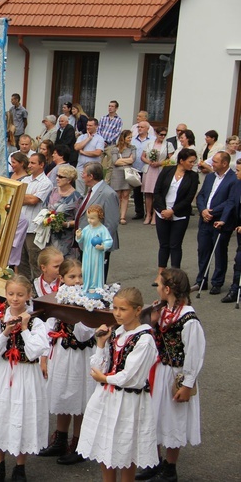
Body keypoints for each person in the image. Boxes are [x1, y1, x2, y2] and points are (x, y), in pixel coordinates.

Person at [77, 287, 159, 482]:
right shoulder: (116, 333)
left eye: (123, 309)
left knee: (125, 448)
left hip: (129, 400)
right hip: (108, 397)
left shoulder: (145, 339)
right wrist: (101, 344)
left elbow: (132, 376)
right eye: (115, 308)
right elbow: (100, 365)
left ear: (138, 310)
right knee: (106, 443)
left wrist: (105, 379)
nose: (117, 313)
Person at [136, 268, 205, 482]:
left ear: (167, 289)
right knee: (154, 416)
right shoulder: (163, 310)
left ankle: (170, 468)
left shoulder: (189, 319)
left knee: (174, 419)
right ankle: (153, 461)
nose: (156, 288)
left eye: (157, 285)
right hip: (159, 371)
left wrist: (187, 384)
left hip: (176, 375)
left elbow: (194, 353)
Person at [0, 276, 49, 482]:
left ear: (28, 295)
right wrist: (5, 331)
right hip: (4, 371)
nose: (15, 298)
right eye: (11, 294)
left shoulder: (37, 322)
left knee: (23, 414)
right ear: (6, 294)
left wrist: (24, 329)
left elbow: (34, 352)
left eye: (20, 294)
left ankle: (20, 467)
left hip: (26, 373)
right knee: (1, 413)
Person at [38, 259, 96, 465]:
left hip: (81, 354)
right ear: (62, 279)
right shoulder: (58, 296)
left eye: (80, 276)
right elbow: (48, 325)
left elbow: (84, 333)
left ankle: (78, 443)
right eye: (72, 277)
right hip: (61, 352)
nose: (77, 281)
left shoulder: (88, 299)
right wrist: (43, 356)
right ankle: (60, 438)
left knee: (80, 396)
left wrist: (76, 311)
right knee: (62, 393)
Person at [152, 149, 200, 284]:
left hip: (179, 215)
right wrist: (163, 210)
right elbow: (157, 191)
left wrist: (172, 211)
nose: (192, 164)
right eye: (190, 162)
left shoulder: (193, 177)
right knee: (164, 244)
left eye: (194, 162)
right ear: (181, 161)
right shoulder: (167, 171)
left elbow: (189, 198)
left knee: (175, 245)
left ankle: (175, 275)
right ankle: (160, 274)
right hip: (162, 213)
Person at [193, 151, 234, 294]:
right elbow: (202, 195)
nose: (212, 164)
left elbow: (230, 201)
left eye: (215, 162)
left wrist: (213, 212)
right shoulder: (210, 177)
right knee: (203, 250)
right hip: (205, 220)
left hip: (220, 221)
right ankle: (202, 280)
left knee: (219, 252)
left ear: (224, 163)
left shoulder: (233, 179)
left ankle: (217, 281)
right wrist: (203, 210)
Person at [75, 163, 120, 281]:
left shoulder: (108, 193)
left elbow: (112, 223)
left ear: (91, 176)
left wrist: (100, 244)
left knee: (96, 278)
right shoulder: (91, 191)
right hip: (86, 243)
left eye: (83, 173)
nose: (82, 176)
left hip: (97, 245)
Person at [19, 153, 54, 281]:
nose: (29, 165)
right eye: (29, 162)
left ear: (41, 165)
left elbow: (34, 200)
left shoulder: (46, 183)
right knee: (21, 262)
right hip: (20, 228)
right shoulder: (25, 180)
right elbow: (15, 196)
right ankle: (25, 290)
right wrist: (27, 197)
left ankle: (39, 291)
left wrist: (25, 197)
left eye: (33, 163)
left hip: (34, 229)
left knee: (35, 261)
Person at [45, 164, 83, 259]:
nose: (57, 178)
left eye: (61, 177)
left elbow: (80, 220)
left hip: (65, 239)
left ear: (69, 180)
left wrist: (66, 224)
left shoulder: (77, 198)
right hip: (48, 236)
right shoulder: (53, 192)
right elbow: (44, 209)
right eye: (57, 176)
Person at [216, 161, 241, 302]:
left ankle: (235, 289)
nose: (235, 173)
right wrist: (224, 220)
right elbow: (231, 202)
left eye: (238, 170)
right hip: (238, 227)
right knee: (239, 260)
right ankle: (235, 289)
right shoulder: (237, 184)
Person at [76, 205, 113, 295]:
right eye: (88, 218)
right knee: (86, 269)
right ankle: (87, 286)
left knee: (95, 270)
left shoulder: (102, 230)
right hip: (87, 254)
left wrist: (103, 246)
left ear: (99, 217)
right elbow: (81, 239)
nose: (90, 220)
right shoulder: (87, 228)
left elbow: (109, 240)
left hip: (96, 255)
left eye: (92, 218)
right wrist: (79, 235)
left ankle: (95, 286)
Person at [141, 127, 173, 225]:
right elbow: (143, 157)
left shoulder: (168, 144)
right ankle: (148, 215)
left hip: (160, 170)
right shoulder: (149, 143)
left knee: (157, 193)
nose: (162, 136)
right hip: (149, 170)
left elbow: (171, 159)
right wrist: (150, 162)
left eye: (164, 135)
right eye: (161, 134)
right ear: (156, 133)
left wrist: (160, 163)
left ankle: (155, 215)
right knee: (148, 193)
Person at [110, 130, 136, 224]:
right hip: (117, 174)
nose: (130, 139)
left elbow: (133, 159)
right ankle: (115, 215)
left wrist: (121, 160)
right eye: (128, 137)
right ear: (123, 138)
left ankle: (122, 216)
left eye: (131, 137)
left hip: (127, 173)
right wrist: (127, 160)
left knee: (125, 195)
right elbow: (115, 162)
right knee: (117, 195)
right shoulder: (115, 149)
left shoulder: (132, 148)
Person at [74, 118, 106, 194]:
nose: (88, 127)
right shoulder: (82, 137)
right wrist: (88, 139)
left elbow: (97, 152)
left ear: (96, 126)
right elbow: (76, 147)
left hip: (93, 168)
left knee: (91, 191)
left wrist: (83, 152)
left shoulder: (99, 139)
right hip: (81, 167)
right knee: (79, 191)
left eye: (90, 125)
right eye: (87, 125)